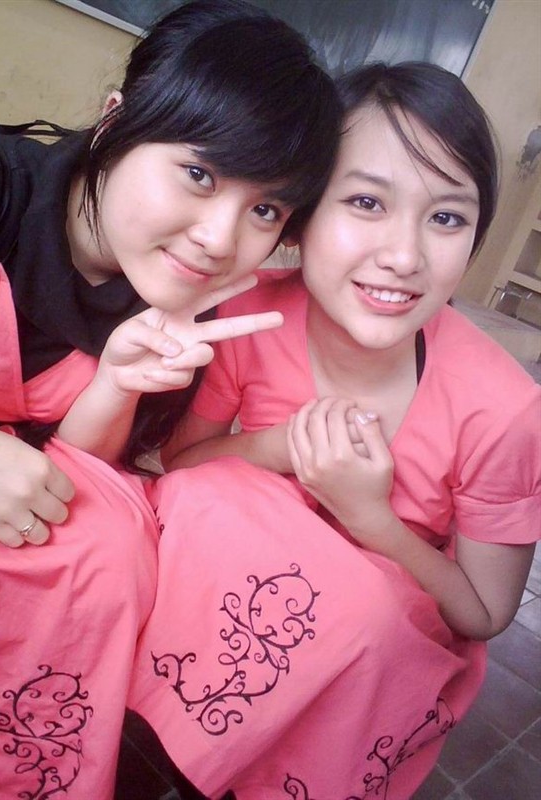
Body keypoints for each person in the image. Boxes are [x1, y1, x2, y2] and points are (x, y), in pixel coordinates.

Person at [0, 1, 341, 796]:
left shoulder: (189, 308)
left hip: (7, 511)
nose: (219, 239)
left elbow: (80, 468)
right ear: (115, 123)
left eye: (264, 209)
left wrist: (116, 383)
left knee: (112, 549)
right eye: (199, 174)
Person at [119, 63, 541, 799]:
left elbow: (484, 612)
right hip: (213, 633)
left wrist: (370, 517)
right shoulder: (250, 315)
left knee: (360, 613)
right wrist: (278, 447)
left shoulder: (503, 410)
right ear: (303, 214)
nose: (404, 256)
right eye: (367, 202)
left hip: (355, 667)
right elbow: (178, 469)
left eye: (446, 217)